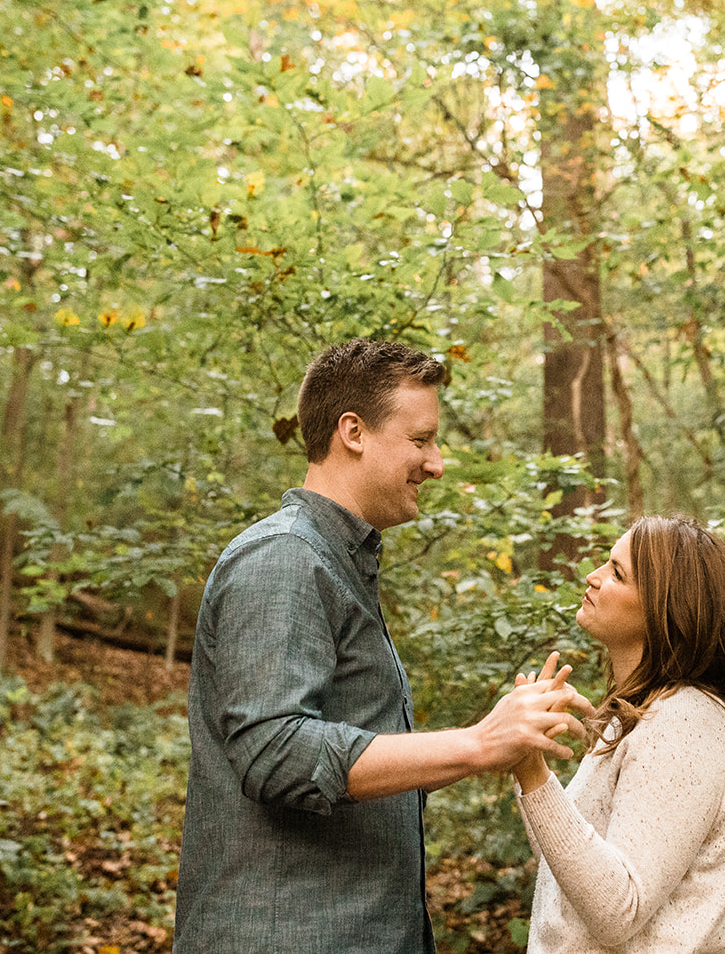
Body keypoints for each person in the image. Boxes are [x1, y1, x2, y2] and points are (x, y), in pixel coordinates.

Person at [175, 338, 591, 954]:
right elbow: (274, 752)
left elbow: (354, 762)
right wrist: (477, 744)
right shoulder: (285, 557)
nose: (437, 463)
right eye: (421, 440)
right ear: (354, 432)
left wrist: (500, 740)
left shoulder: (336, 563)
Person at [512, 515, 725, 954]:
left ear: (666, 609)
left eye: (617, 573)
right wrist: (531, 760)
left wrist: (532, 771)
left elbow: (618, 911)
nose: (593, 578)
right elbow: (564, 880)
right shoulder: (641, 715)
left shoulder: (685, 720)